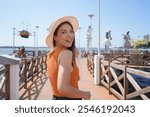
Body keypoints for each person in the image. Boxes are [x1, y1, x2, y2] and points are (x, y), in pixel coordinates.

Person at [45, 16, 91, 100]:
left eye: (71, 31)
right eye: (63, 32)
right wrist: (85, 94)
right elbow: (63, 88)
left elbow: (76, 52)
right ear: (55, 37)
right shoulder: (66, 53)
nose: (70, 35)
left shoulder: (51, 53)